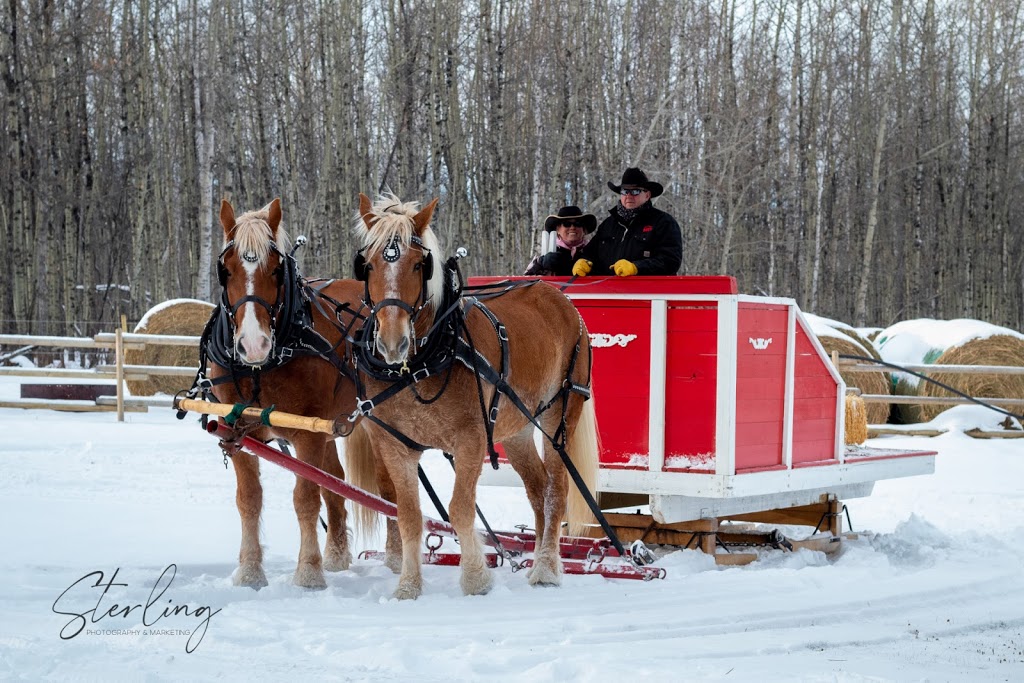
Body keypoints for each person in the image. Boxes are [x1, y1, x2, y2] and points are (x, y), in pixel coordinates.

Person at [572, 167, 682, 277]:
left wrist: (637, 267)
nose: (629, 196)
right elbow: (590, 254)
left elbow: (671, 261)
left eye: (635, 191)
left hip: (648, 292)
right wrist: (583, 261)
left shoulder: (663, 222)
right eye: (625, 191)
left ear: (647, 195)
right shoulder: (608, 224)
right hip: (608, 291)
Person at [523, 205, 597, 276]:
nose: (572, 227)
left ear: (583, 229)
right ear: (557, 229)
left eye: (578, 223)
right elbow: (527, 278)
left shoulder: (593, 251)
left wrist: (592, 270)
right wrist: (542, 263)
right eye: (567, 224)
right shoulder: (547, 250)